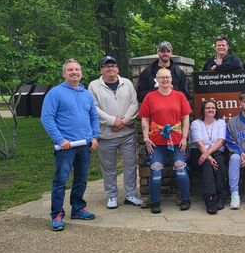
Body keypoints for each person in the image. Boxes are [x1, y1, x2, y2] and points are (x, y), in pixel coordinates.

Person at [41, 59, 99, 231]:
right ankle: (57, 214)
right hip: (66, 147)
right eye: (70, 70)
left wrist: (95, 137)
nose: (74, 72)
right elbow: (47, 118)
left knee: (81, 179)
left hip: (84, 146)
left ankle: (78, 208)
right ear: (63, 73)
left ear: (81, 73)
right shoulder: (55, 93)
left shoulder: (86, 93)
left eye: (77, 69)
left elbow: (93, 117)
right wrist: (60, 139)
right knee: (61, 180)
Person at [88, 56, 142, 209]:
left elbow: (134, 103)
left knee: (131, 165)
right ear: (101, 69)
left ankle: (131, 195)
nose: (110, 68)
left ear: (117, 68)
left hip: (127, 133)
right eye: (106, 66)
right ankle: (111, 196)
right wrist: (112, 121)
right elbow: (93, 108)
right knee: (109, 167)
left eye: (113, 65)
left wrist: (123, 121)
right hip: (106, 134)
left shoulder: (127, 83)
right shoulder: (94, 86)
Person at [139, 68, 192, 213]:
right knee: (156, 172)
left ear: (171, 79)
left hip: (176, 140)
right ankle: (155, 201)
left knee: (181, 170)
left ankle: (185, 199)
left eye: (167, 77)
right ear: (157, 79)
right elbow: (145, 118)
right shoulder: (150, 97)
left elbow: (186, 118)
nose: (165, 80)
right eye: (161, 77)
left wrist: (185, 138)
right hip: (156, 141)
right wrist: (146, 138)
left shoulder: (179, 96)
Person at [189, 98, 228, 214]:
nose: (211, 110)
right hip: (199, 153)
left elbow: (221, 141)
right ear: (203, 110)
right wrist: (208, 157)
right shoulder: (196, 123)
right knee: (207, 164)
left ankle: (221, 196)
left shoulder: (220, 122)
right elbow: (199, 143)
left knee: (219, 163)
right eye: (208, 108)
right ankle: (210, 199)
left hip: (214, 151)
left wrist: (208, 154)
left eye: (213, 108)